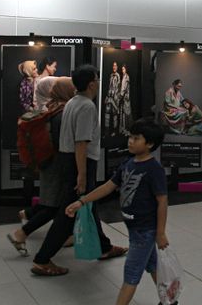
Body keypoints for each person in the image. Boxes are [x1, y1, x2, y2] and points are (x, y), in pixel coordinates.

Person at [31, 65, 127, 276]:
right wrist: (82, 175)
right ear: (92, 83)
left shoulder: (72, 102)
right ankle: (42, 259)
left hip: (70, 161)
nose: (99, 82)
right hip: (80, 163)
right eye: (97, 79)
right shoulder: (86, 106)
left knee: (89, 205)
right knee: (70, 211)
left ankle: (104, 247)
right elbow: (81, 143)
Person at [65, 119, 169, 305]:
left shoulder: (154, 169)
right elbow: (108, 187)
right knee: (151, 264)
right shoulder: (127, 163)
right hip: (133, 226)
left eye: (136, 138)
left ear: (150, 144)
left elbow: (162, 201)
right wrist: (82, 201)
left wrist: (160, 233)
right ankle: (169, 300)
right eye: (130, 136)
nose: (130, 141)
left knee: (131, 273)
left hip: (145, 230)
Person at [8, 77, 76, 256]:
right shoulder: (62, 113)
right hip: (57, 166)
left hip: (48, 163)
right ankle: (21, 234)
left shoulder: (51, 108)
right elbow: (64, 143)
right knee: (53, 206)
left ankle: (66, 234)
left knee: (55, 204)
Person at [105, 62, 121, 137]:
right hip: (109, 96)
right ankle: (106, 132)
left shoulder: (117, 76)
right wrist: (107, 96)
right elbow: (109, 87)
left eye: (115, 66)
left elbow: (117, 87)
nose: (114, 67)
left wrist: (116, 99)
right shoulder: (111, 75)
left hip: (114, 97)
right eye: (113, 66)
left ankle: (115, 131)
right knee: (107, 115)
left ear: (117, 67)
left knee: (115, 115)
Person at [119, 64, 132, 136]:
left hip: (126, 98)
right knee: (123, 114)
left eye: (123, 69)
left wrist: (120, 96)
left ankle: (127, 130)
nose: (122, 70)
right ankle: (123, 129)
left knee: (127, 114)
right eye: (122, 69)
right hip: (124, 99)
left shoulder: (126, 77)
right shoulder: (124, 77)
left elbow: (123, 89)